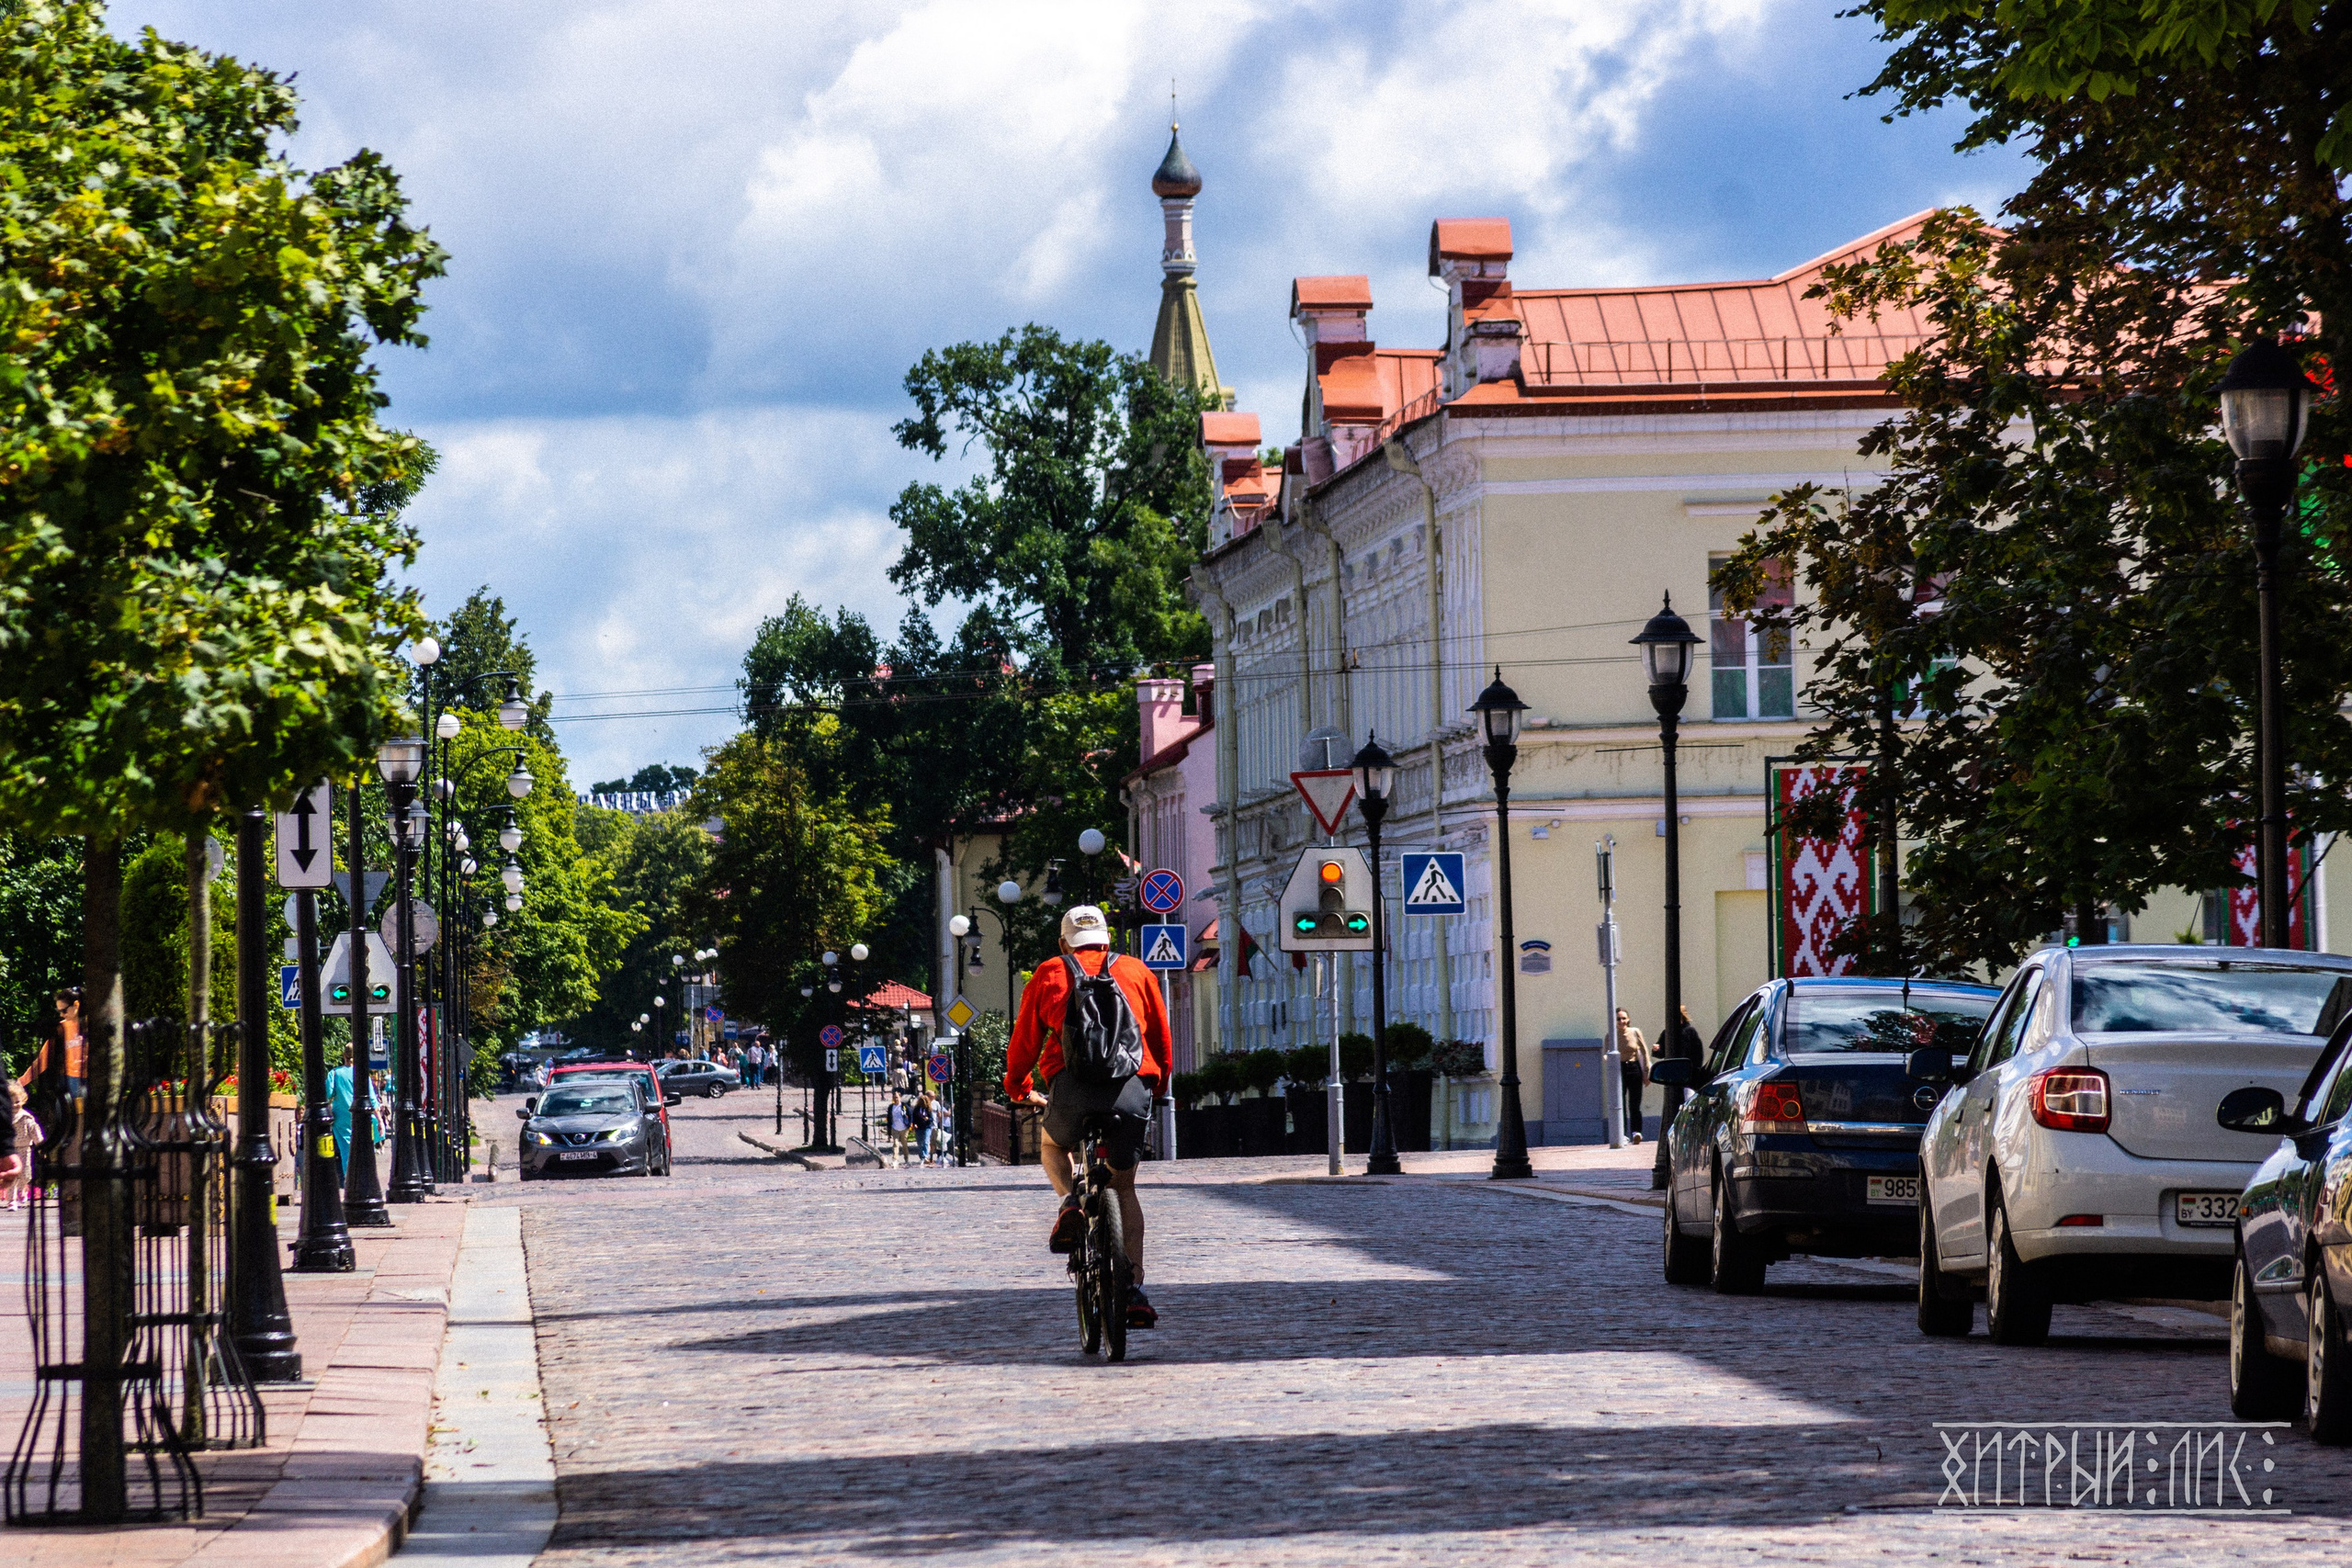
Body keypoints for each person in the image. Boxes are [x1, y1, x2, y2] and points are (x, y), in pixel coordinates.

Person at [1005, 903, 1172, 1329]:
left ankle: (1068, 1203)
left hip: (1072, 1088)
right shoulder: (1136, 971)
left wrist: (1019, 1089)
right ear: (1107, 938)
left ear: (1064, 943)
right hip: (1129, 1089)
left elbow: (1025, 1041)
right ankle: (1133, 1289)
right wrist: (1158, 1084)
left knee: (1051, 1144)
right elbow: (1161, 1039)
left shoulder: (1049, 972)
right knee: (1125, 1186)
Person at [1614, 1009, 1651, 1145]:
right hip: (1619, 1069)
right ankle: (1622, 1134)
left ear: (1628, 1019)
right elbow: (1607, 1052)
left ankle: (1636, 1132)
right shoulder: (1611, 1035)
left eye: (1624, 1018)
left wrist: (1646, 1071)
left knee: (1635, 1103)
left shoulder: (1635, 1032)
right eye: (1618, 1019)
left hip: (1634, 1068)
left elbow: (1644, 1051)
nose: (1621, 1021)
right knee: (1620, 1104)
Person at [0, 1078, 30, 1207]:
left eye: (17, 1102)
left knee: (25, 1174)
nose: (14, 1105)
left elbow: (33, 1130)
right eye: (11, 1102)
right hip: (12, 1148)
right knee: (12, 1175)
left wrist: (41, 1144)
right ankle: (12, 1200)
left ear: (23, 1100)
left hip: (24, 1149)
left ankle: (23, 1189)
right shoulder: (6, 1117)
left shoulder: (26, 1117)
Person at [912, 1090, 935, 1165]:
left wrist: (928, 1119)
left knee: (925, 1142)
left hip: (927, 1127)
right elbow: (914, 1118)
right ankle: (922, 1156)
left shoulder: (928, 1109)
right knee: (920, 1143)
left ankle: (925, 1156)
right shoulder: (916, 1109)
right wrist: (914, 1124)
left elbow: (932, 1119)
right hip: (919, 1127)